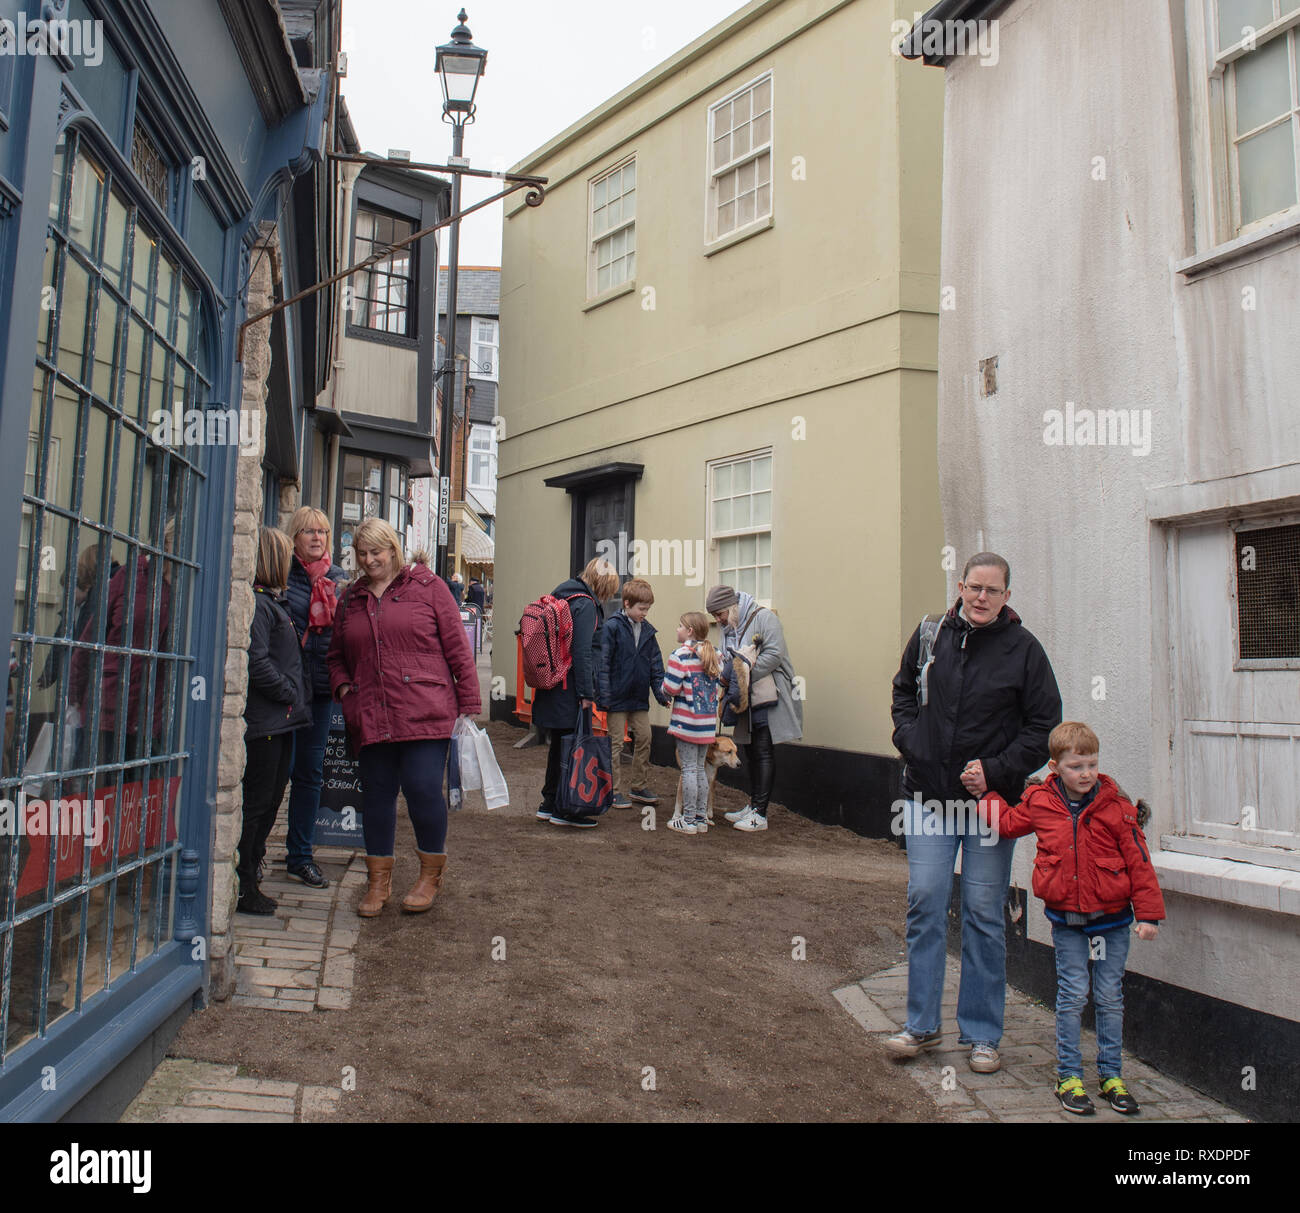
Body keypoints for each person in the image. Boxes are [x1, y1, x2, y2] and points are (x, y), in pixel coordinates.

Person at [886, 552, 1062, 1073]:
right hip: (930, 798)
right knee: (925, 904)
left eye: (993, 590)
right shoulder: (929, 635)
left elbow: (1044, 726)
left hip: (990, 807)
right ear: (960, 586)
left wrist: (997, 770)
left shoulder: (1025, 650)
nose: (981, 597)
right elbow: (902, 694)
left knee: (984, 916)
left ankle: (982, 1035)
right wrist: (912, 741)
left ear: (1008, 595)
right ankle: (921, 1025)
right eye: (973, 587)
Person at [977, 722, 1164, 1115]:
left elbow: (1139, 862)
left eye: (1092, 764)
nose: (1086, 773)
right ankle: (1069, 1077)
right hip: (1067, 922)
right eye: (1077, 766)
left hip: (1112, 922)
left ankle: (1111, 1076)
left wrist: (1148, 915)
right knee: (1073, 995)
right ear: (1055, 766)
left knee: (1110, 997)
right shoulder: (1042, 802)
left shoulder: (1116, 807)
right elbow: (1011, 824)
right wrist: (986, 795)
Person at [327, 520, 481, 917]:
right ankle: (378, 881)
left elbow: (457, 647)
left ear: (393, 550)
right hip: (371, 711)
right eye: (362, 553)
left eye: (376, 552)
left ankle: (430, 874)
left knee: (423, 788)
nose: (369, 560)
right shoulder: (351, 598)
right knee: (376, 796)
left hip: (424, 709)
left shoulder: (428, 589)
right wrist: (346, 690)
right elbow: (335, 657)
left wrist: (468, 702)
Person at [237, 527, 311, 915]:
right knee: (257, 805)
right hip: (266, 722)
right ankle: (243, 882)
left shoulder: (271, 603)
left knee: (269, 803)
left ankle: (252, 871)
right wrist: (287, 690)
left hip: (281, 722)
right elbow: (256, 660)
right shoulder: (259, 606)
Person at [282, 507, 348, 890]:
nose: (317, 537)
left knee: (309, 776)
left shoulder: (337, 580)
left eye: (323, 531)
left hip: (320, 693)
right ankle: (253, 854)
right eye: (309, 531)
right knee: (273, 776)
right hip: (284, 693)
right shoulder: (282, 577)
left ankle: (300, 856)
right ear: (295, 536)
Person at [531, 557, 620, 828]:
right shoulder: (586, 605)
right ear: (602, 585)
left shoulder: (564, 596)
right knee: (572, 747)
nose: (606, 597)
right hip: (571, 688)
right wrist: (586, 694)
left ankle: (549, 804)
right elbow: (581, 651)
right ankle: (565, 808)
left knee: (559, 745)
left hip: (553, 684)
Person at [707, 584, 802, 832]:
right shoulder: (732, 626)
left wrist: (742, 677)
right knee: (750, 750)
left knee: (763, 750)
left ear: (731, 607)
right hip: (748, 697)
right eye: (715, 616)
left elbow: (775, 654)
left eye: (720, 615)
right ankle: (753, 805)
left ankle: (760, 813)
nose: (718, 620)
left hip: (767, 696)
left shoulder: (765, 618)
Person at [596, 578, 668, 810]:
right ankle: (613, 790)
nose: (645, 613)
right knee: (615, 744)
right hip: (617, 698)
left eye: (648, 609)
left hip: (638, 698)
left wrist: (661, 693)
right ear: (627, 604)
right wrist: (604, 696)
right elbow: (603, 663)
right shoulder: (612, 627)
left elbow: (656, 666)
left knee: (645, 737)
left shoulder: (648, 632)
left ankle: (638, 786)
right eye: (641, 609)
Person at [660, 611, 722, 835]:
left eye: (680, 626)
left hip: (686, 723)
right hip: (706, 724)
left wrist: (663, 690)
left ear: (690, 631)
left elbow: (670, 688)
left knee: (688, 770)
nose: (677, 629)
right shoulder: (714, 655)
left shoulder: (680, 656)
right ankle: (701, 819)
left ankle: (688, 821)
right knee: (699, 769)